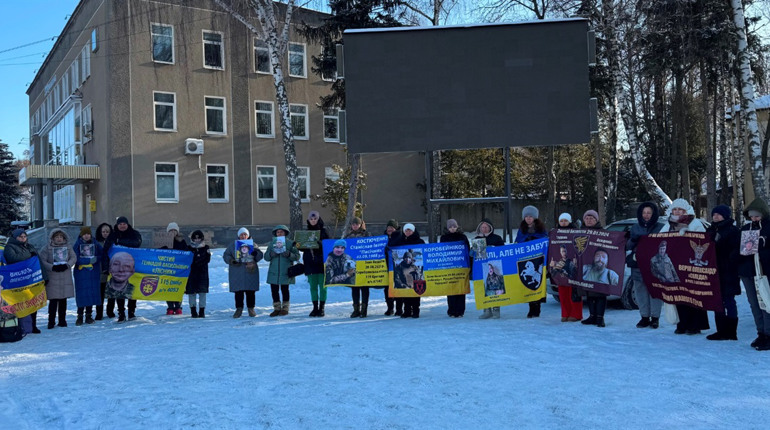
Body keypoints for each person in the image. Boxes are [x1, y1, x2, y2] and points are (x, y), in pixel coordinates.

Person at [659, 198, 709, 335]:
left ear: (686, 211)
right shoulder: (669, 224)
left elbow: (702, 242)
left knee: (692, 295)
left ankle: (695, 325)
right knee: (679, 294)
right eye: (675, 209)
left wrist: (688, 236)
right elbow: (659, 239)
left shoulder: (695, 223)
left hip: (691, 265)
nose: (677, 212)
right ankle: (682, 323)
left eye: (680, 210)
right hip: (674, 265)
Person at [738, 198, 770, 351]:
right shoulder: (746, 228)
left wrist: (761, 250)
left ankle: (769, 334)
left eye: (757, 216)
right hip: (748, 271)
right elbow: (737, 248)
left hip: (764, 271)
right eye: (751, 216)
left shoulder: (768, 228)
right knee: (754, 304)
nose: (754, 218)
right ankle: (761, 333)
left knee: (766, 303)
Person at [705, 205, 741, 341]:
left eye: (719, 214)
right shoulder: (710, 230)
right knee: (717, 300)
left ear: (725, 216)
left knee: (729, 300)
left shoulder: (733, 231)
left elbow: (737, 249)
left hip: (728, 271)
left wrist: (730, 260)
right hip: (714, 271)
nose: (715, 216)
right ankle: (721, 330)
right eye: (714, 214)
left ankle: (731, 331)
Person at [627, 202, 664, 329]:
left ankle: (655, 318)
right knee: (640, 291)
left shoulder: (661, 227)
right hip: (638, 264)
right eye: (644, 213)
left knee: (654, 291)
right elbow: (628, 246)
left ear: (653, 214)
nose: (646, 215)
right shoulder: (635, 227)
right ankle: (644, 317)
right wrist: (633, 240)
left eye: (649, 213)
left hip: (655, 265)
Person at [2, 228, 45, 334]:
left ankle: (33, 325)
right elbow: (13, 258)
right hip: (18, 280)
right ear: (15, 237)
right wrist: (29, 254)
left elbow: (38, 262)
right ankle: (21, 326)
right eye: (20, 237)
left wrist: (44, 276)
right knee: (20, 304)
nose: (23, 238)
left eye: (24, 236)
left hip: (30, 279)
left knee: (32, 302)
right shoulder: (9, 247)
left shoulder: (30, 247)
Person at [103, 216, 142, 321]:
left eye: (124, 224)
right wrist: (106, 267)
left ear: (127, 224)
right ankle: (121, 313)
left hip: (131, 267)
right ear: (117, 225)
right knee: (119, 291)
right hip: (116, 267)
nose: (122, 226)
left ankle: (131, 312)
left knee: (132, 290)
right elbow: (105, 250)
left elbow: (137, 243)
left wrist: (120, 242)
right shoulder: (112, 235)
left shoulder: (134, 233)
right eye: (120, 224)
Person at [514, 205, 548, 318]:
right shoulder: (521, 230)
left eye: (531, 216)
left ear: (535, 218)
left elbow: (545, 242)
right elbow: (517, 243)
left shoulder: (541, 230)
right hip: (525, 260)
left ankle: (537, 308)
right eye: (526, 216)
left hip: (538, 261)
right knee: (528, 282)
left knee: (537, 284)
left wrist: (533, 240)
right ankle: (530, 308)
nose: (528, 218)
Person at [39, 229, 77, 329]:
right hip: (53, 276)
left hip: (65, 276)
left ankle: (62, 320)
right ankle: (51, 321)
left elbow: (73, 258)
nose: (59, 239)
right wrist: (52, 267)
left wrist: (68, 265)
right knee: (53, 301)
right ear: (52, 238)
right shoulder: (47, 248)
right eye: (57, 237)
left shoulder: (68, 247)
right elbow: (42, 260)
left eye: (61, 237)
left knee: (63, 300)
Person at [223, 227, 263, 318]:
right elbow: (226, 255)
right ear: (238, 236)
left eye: (245, 234)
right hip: (237, 271)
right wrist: (232, 261)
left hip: (250, 270)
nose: (243, 236)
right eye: (241, 234)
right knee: (238, 292)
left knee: (250, 291)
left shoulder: (253, 244)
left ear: (248, 236)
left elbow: (260, 254)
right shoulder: (233, 245)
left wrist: (255, 255)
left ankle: (251, 308)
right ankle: (239, 309)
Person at [580, 210, 609, 328]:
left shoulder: (603, 233)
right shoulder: (579, 232)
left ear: (596, 220)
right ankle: (592, 316)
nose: (589, 220)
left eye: (592, 218)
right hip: (586, 266)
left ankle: (600, 318)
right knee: (589, 293)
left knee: (600, 293)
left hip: (600, 266)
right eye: (587, 218)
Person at [551, 213, 582, 322]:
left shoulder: (576, 232)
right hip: (560, 264)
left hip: (573, 265)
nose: (563, 223)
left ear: (569, 221)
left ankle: (576, 314)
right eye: (561, 221)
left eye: (565, 220)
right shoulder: (555, 233)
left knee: (573, 292)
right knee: (563, 293)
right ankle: (565, 313)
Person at [264, 225, 300, 317]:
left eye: (281, 232)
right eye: (278, 232)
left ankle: (285, 308)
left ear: (285, 233)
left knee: (285, 290)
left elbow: (297, 256)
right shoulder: (272, 243)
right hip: (274, 271)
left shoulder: (291, 243)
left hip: (286, 270)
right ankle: (276, 308)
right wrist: (271, 254)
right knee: (274, 290)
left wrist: (289, 254)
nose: (279, 233)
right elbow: (266, 257)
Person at [391, 223, 426, 318]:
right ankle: (407, 311)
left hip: (414, 278)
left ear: (413, 231)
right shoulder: (401, 241)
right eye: (406, 230)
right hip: (404, 275)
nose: (408, 232)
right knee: (406, 295)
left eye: (410, 230)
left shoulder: (420, 241)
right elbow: (392, 247)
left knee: (415, 294)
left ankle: (415, 311)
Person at [475, 218, 505, 319]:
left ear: (490, 228)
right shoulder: (477, 239)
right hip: (482, 268)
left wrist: (493, 248)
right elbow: (473, 254)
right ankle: (487, 310)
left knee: (496, 288)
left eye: (486, 227)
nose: (484, 229)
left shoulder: (497, 238)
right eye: (482, 227)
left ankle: (496, 310)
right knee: (484, 288)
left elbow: (503, 250)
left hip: (495, 267)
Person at [73, 227, 103, 325]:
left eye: (88, 234)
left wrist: (96, 259)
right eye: (84, 234)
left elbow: (102, 255)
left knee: (91, 293)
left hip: (92, 272)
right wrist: (88, 261)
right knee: (82, 294)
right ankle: (80, 316)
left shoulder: (95, 244)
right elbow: (75, 258)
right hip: (81, 273)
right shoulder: (77, 244)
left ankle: (89, 315)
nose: (86, 236)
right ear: (81, 235)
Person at [440, 219, 470, 318]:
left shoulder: (462, 237)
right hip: (449, 266)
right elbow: (441, 250)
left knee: (461, 289)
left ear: (457, 227)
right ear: (447, 228)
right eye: (450, 227)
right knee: (451, 289)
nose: (452, 229)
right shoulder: (444, 238)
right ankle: (451, 310)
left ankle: (460, 310)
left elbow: (467, 250)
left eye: (454, 227)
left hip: (461, 266)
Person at [303, 211, 330, 317]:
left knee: (323, 287)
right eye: (311, 219)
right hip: (310, 263)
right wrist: (299, 245)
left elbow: (329, 245)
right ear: (309, 220)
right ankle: (315, 307)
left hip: (322, 263)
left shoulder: (324, 232)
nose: (313, 221)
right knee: (313, 287)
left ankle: (322, 307)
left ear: (318, 219)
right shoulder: (306, 232)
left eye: (315, 219)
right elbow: (303, 248)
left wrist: (321, 244)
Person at [345, 217, 371, 318]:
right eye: (353, 224)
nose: (355, 226)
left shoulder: (366, 234)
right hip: (353, 264)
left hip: (364, 264)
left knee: (364, 288)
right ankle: (356, 309)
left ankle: (364, 309)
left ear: (360, 224)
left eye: (357, 224)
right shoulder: (348, 236)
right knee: (354, 288)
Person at [162, 222, 187, 315]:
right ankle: (170, 306)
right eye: (171, 230)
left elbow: (185, 252)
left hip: (178, 269)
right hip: (167, 268)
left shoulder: (181, 241)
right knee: (167, 287)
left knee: (178, 287)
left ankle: (178, 306)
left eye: (174, 230)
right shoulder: (163, 242)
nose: (172, 232)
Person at [186, 230, 211, 318]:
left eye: (198, 238)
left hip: (202, 273)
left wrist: (198, 263)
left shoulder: (206, 247)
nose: (197, 240)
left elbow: (207, 259)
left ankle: (202, 311)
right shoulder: (189, 248)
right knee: (191, 293)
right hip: (191, 273)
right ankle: (193, 310)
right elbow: (186, 259)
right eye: (195, 238)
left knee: (202, 292)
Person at [383, 219, 403, 316]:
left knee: (398, 287)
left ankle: (399, 309)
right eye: (388, 228)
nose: (390, 229)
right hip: (386, 266)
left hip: (397, 266)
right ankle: (390, 308)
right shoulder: (382, 238)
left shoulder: (400, 237)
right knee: (387, 288)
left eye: (392, 227)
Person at [95, 222, 113, 320]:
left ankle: (110, 311)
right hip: (101, 271)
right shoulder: (97, 243)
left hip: (112, 270)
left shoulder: (114, 243)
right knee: (100, 293)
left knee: (111, 293)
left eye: (107, 231)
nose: (105, 233)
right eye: (103, 231)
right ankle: (99, 312)